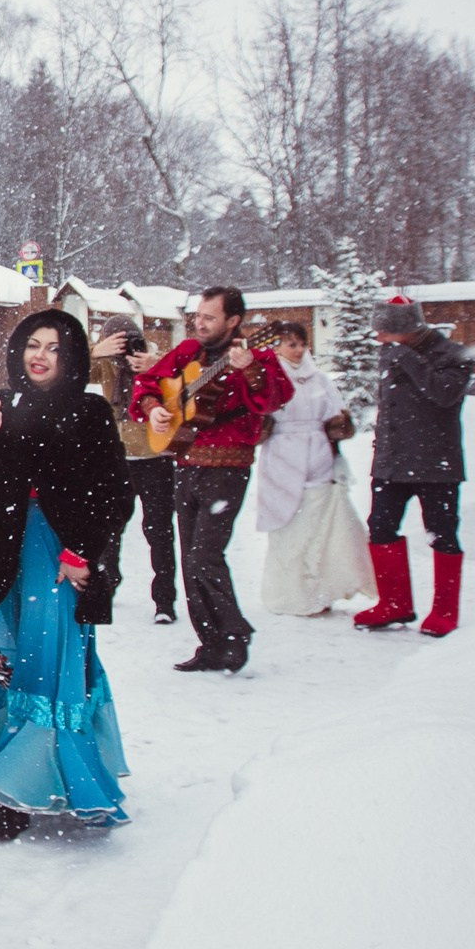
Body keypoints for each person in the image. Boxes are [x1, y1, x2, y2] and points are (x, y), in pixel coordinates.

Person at [0, 309, 134, 840]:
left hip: (60, 558)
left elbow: (114, 493)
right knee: (6, 653)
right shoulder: (3, 407)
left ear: (73, 359)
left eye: (54, 349)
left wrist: (83, 553)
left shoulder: (88, 410)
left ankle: (27, 788)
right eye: (32, 345)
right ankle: (9, 758)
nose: (39, 357)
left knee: (48, 660)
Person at [129, 286, 293, 673]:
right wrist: (154, 409)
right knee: (189, 558)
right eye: (197, 316)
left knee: (206, 555)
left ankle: (234, 634)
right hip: (186, 464)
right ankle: (211, 643)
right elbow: (147, 384)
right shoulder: (188, 352)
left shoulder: (260, 355)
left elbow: (274, 399)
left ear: (233, 321)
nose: (199, 324)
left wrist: (250, 368)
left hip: (228, 467)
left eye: (209, 318)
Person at [354, 296, 470, 637]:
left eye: (383, 332)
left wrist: (406, 358)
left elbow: (445, 394)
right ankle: (395, 604)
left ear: (403, 330)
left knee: (442, 533)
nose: (377, 338)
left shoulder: (452, 355)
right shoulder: (391, 352)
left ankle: (445, 611)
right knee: (380, 527)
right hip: (391, 463)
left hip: (437, 463)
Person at [253, 321, 376, 616]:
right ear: (277, 346)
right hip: (282, 456)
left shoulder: (319, 380)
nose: (296, 350)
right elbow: (259, 410)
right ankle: (288, 594)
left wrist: (337, 427)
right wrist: (262, 427)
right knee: (288, 528)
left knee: (319, 528)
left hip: (317, 455)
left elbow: (334, 412)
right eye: (290, 344)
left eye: (300, 344)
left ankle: (319, 591)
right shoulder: (268, 377)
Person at [89, 314, 181, 625]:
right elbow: (67, 371)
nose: (125, 347)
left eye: (129, 338)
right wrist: (95, 350)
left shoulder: (156, 361)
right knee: (109, 531)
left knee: (159, 531)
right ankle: (107, 585)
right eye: (118, 340)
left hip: (156, 456)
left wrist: (157, 363)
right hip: (115, 457)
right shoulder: (104, 364)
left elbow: (185, 379)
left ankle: (164, 601)